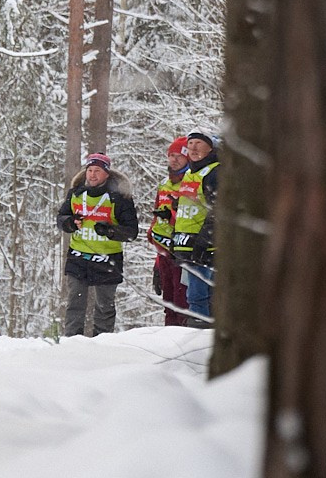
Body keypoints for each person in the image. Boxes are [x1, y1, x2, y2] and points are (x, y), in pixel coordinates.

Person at [57, 151, 137, 337]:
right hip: (78, 257)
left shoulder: (120, 197)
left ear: (107, 174)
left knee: (104, 307)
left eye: (97, 171)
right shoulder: (76, 193)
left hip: (107, 260)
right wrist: (70, 222)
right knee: (74, 304)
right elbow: (61, 218)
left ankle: (102, 344)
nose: (92, 174)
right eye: (89, 170)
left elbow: (132, 232)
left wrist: (110, 231)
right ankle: (71, 342)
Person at [150, 133, 219, 328]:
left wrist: (204, 241)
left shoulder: (214, 173)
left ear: (211, 149)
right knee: (189, 297)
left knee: (198, 296)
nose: (194, 148)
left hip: (203, 246)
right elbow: (192, 208)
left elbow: (219, 211)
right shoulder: (190, 174)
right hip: (182, 245)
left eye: (199, 144)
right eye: (190, 144)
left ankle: (200, 339)